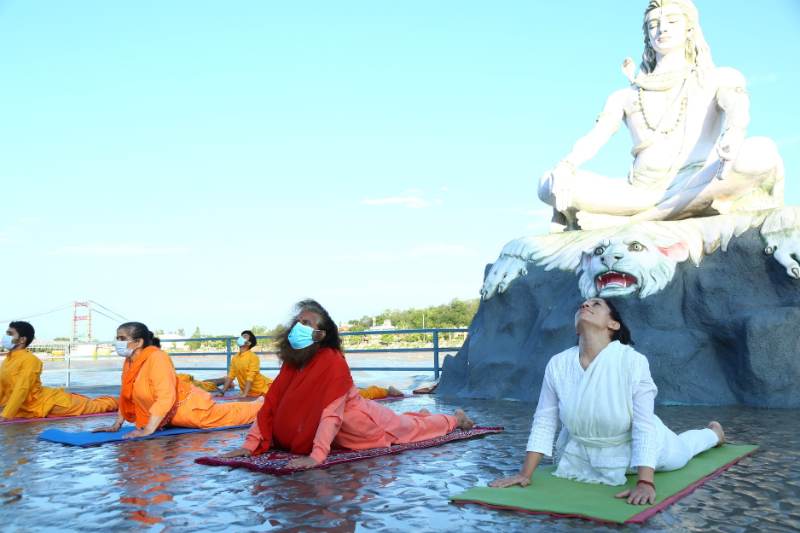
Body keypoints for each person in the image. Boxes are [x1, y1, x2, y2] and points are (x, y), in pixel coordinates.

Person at [538, 0, 783, 230]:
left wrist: (734, 133)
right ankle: (651, 213)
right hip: (638, 193)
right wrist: (566, 166)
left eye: (672, 22)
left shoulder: (717, 77)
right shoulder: (624, 96)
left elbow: (737, 108)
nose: (662, 29)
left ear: (689, 29)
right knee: (548, 184)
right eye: (653, 24)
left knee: (761, 152)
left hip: (698, 181)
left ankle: (634, 222)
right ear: (647, 34)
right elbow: (595, 138)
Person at [489, 298, 724, 505]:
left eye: (596, 304)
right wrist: (525, 474)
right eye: (583, 304)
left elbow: (644, 425)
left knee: (682, 452)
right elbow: (545, 420)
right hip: (580, 456)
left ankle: (713, 434)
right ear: (576, 328)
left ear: (613, 324)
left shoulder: (633, 361)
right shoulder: (558, 364)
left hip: (635, 448)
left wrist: (645, 482)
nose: (585, 305)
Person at [220, 299, 474, 468]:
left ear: (321, 334)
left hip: (363, 424)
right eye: (298, 322)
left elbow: (331, 414)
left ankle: (454, 420)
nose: (299, 326)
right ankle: (422, 415)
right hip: (340, 431)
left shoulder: (332, 361)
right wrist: (249, 446)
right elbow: (271, 405)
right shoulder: (292, 363)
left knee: (411, 431)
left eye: (306, 323)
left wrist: (316, 457)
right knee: (410, 423)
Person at [94, 322, 261, 438]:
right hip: (166, 417)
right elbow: (126, 394)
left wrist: (149, 429)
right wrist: (116, 424)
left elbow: (165, 396)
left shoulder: (157, 358)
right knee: (226, 411)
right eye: (117, 338)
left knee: (229, 416)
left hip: (188, 409)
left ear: (138, 342)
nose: (117, 342)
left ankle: (263, 406)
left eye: (122, 339)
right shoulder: (130, 362)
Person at [0, 321, 118, 420]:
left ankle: (122, 402)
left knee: (98, 406)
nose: (5, 337)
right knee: (92, 402)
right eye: (6, 333)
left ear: (22, 340)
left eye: (10, 334)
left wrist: (6, 415)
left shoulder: (30, 360)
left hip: (49, 404)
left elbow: (22, 388)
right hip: (26, 406)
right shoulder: (8, 360)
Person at [216, 330, 273, 398]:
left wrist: (244, 394)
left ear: (249, 343)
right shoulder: (235, 357)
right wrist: (222, 392)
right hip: (248, 392)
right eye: (241, 336)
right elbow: (230, 376)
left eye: (245, 337)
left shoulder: (253, 357)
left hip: (262, 390)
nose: (241, 338)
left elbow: (250, 377)